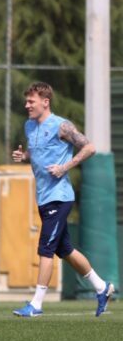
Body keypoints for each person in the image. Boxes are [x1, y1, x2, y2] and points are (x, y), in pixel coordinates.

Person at [11, 82, 115, 317]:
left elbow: (90, 148)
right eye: (26, 101)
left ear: (45, 102)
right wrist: (24, 155)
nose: (27, 105)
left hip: (60, 197)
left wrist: (64, 167)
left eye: (31, 101)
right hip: (43, 198)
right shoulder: (29, 125)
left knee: (45, 248)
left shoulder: (62, 126)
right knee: (65, 249)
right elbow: (37, 152)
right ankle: (102, 287)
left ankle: (36, 304)